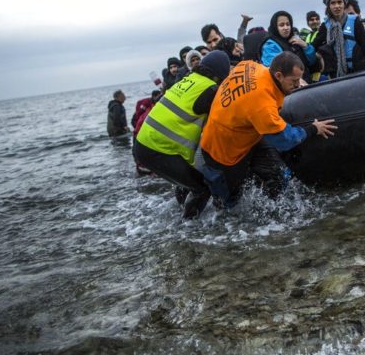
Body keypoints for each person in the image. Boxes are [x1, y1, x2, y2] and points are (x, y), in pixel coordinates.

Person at [199, 52, 337, 207]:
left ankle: (275, 210)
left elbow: (238, 71)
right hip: (222, 151)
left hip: (247, 134)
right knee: (229, 202)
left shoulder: (251, 65)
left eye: (299, 79)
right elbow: (285, 139)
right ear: (278, 75)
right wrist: (313, 129)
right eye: (294, 81)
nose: (298, 85)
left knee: (277, 176)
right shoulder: (262, 104)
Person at [134, 51, 232, 218]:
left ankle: (179, 212)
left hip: (143, 144)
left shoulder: (189, 79)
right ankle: (190, 228)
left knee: (187, 182)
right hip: (157, 150)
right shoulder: (210, 90)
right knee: (202, 189)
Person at [260, 11, 321, 83]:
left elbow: (312, 61)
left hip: (306, 82)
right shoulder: (270, 45)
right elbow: (275, 70)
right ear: (275, 27)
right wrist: (297, 81)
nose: (286, 28)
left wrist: (306, 46)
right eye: (281, 25)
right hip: (288, 89)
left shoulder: (296, 40)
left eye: (288, 24)